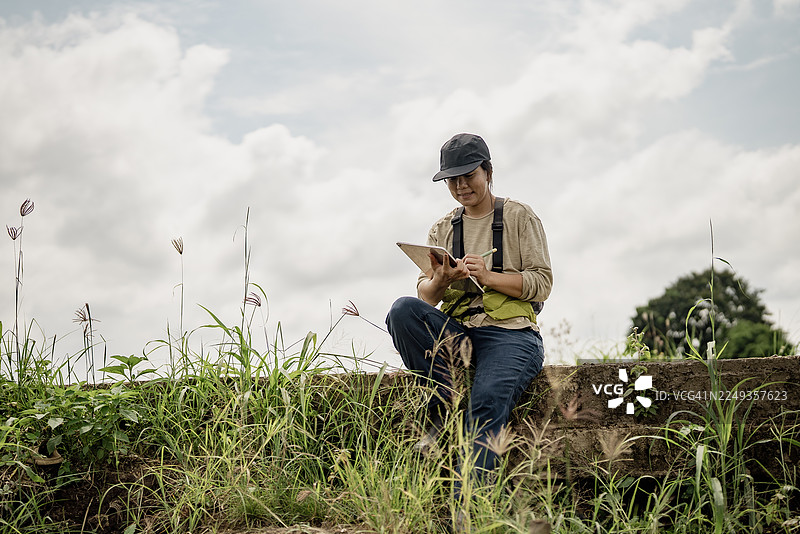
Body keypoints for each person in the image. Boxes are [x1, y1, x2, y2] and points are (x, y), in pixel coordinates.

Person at [385, 132, 553, 488]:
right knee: (403, 310)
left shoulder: (519, 216)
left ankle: (472, 504)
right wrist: (441, 279)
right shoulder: (442, 228)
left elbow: (542, 283)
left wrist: (488, 277)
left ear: (488, 172)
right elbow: (426, 298)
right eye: (452, 180)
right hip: (459, 332)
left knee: (487, 401)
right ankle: (441, 401)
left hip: (511, 334)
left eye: (468, 176)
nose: (461, 186)